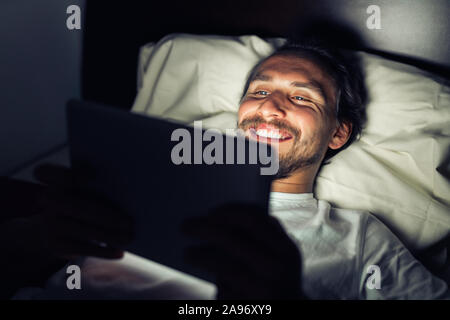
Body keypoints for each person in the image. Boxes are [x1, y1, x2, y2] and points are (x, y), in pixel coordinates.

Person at [1, 40, 448, 300]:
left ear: (337, 134)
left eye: (302, 98)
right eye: (258, 92)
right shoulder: (139, 179)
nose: (270, 107)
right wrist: (35, 240)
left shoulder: (359, 239)